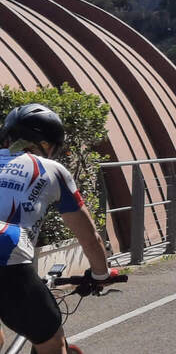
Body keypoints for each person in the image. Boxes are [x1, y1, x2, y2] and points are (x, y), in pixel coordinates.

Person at [0, 103, 120, 354]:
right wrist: (100, 274)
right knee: (51, 341)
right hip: (6, 254)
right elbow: (90, 238)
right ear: (47, 145)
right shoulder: (51, 170)